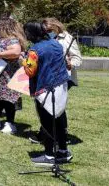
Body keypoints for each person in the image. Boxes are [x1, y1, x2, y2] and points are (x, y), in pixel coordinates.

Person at [23, 21, 73, 165]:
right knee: (60, 120)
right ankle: (63, 152)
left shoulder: (34, 50)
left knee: (47, 123)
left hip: (45, 89)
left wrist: (23, 61)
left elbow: (30, 71)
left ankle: (49, 155)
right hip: (61, 86)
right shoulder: (56, 44)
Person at [28, 18, 83, 144]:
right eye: (44, 31)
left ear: (55, 27)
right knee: (47, 105)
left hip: (63, 76)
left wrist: (70, 63)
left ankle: (58, 136)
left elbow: (78, 58)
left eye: (48, 30)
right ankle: (48, 134)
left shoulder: (67, 38)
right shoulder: (46, 40)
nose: (46, 33)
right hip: (47, 76)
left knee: (55, 106)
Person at [0, 18, 26, 134]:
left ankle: (10, 123)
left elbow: (16, 52)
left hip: (8, 75)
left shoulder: (12, 41)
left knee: (9, 98)